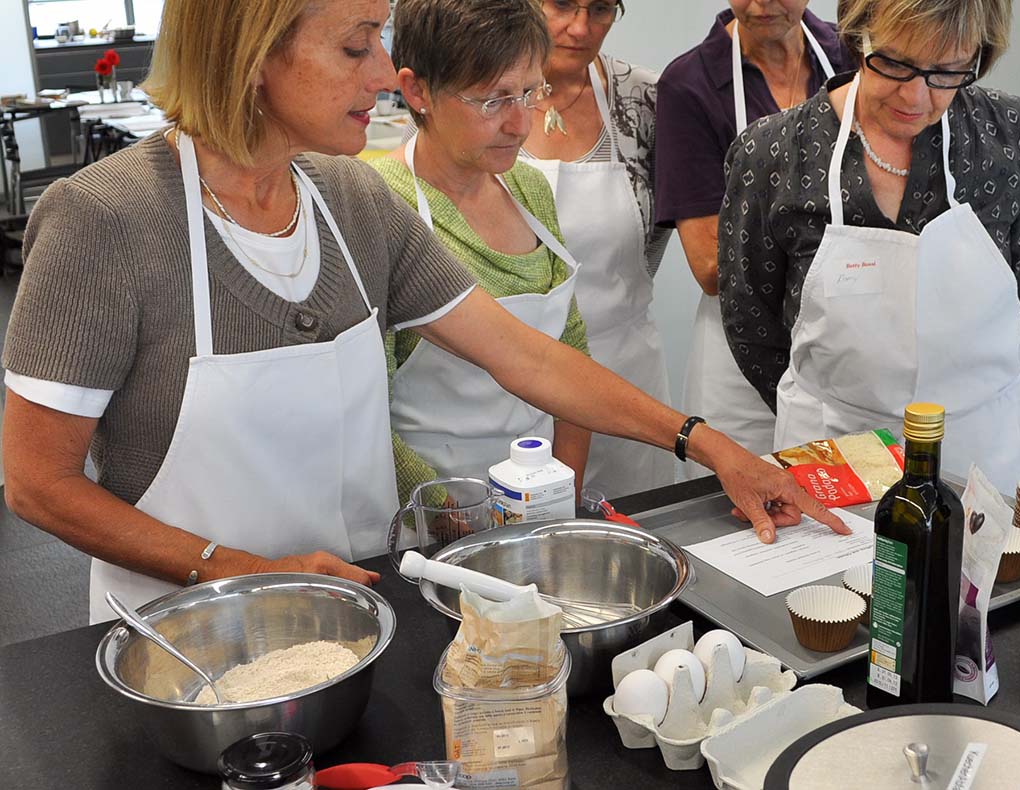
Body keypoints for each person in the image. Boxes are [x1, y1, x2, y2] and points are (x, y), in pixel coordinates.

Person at [1, 0, 846, 624]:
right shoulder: (105, 221)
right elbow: (38, 484)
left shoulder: (348, 201)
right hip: (191, 635)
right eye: (355, 46)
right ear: (251, 52)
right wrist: (246, 572)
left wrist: (709, 446)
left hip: (366, 602)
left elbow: (528, 355)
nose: (381, 75)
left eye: (382, 43)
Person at [719, 0, 1020, 496]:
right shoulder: (776, 152)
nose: (915, 95)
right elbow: (752, 325)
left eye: (946, 71)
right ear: (856, 39)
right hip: (832, 447)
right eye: (894, 63)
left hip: (985, 448)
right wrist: (834, 403)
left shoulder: (1005, 134)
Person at [375, 0, 591, 504]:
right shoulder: (379, 204)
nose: (520, 125)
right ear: (417, 91)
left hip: (539, 498)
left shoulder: (529, 188)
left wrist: (563, 493)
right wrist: (448, 513)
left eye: (530, 93)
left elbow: (570, 355)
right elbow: (366, 413)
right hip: (426, 518)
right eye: (493, 101)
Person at [655, 1, 854, 477]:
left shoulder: (852, 56)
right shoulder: (690, 85)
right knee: (739, 519)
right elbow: (707, 264)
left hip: (842, 337)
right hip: (739, 345)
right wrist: (841, 249)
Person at [518, 0, 674, 500]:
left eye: (602, 9)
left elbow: (659, 235)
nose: (581, 27)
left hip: (626, 377)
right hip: (513, 383)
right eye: (562, 4)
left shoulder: (646, 100)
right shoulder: (476, 92)